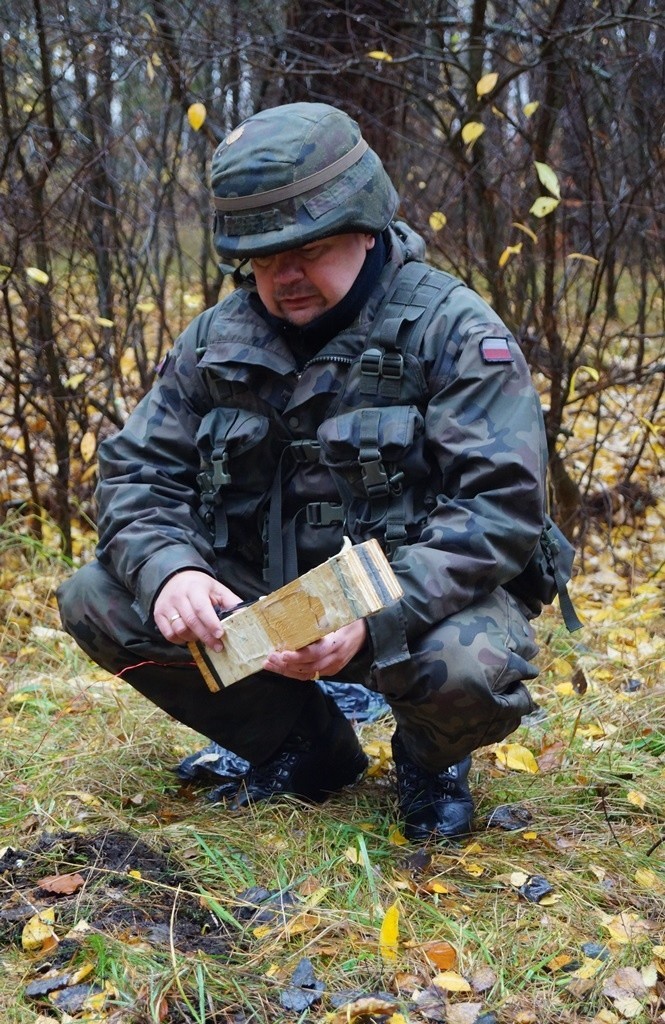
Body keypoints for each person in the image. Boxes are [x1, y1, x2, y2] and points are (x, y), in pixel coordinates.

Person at [58, 101, 550, 844]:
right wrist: (170, 571)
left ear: (364, 229)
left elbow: (495, 512)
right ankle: (304, 749)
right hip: (267, 600)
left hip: (406, 601)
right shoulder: (216, 340)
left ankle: (427, 760)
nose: (284, 276)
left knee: (470, 666)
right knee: (98, 597)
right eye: (262, 259)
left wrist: (366, 610)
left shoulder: (452, 331)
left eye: (307, 249)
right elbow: (137, 475)